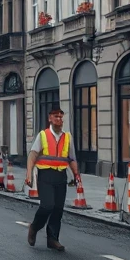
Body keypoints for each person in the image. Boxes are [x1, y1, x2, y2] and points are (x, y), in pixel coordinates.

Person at [24, 104, 81, 252]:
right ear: (50, 118)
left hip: (61, 175)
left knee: (58, 209)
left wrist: (76, 175)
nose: (59, 119)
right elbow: (33, 154)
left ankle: (53, 239)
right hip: (45, 175)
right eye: (56, 116)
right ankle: (34, 227)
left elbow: (72, 158)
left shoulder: (67, 137)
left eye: (61, 117)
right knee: (47, 205)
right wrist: (28, 173)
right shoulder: (43, 135)